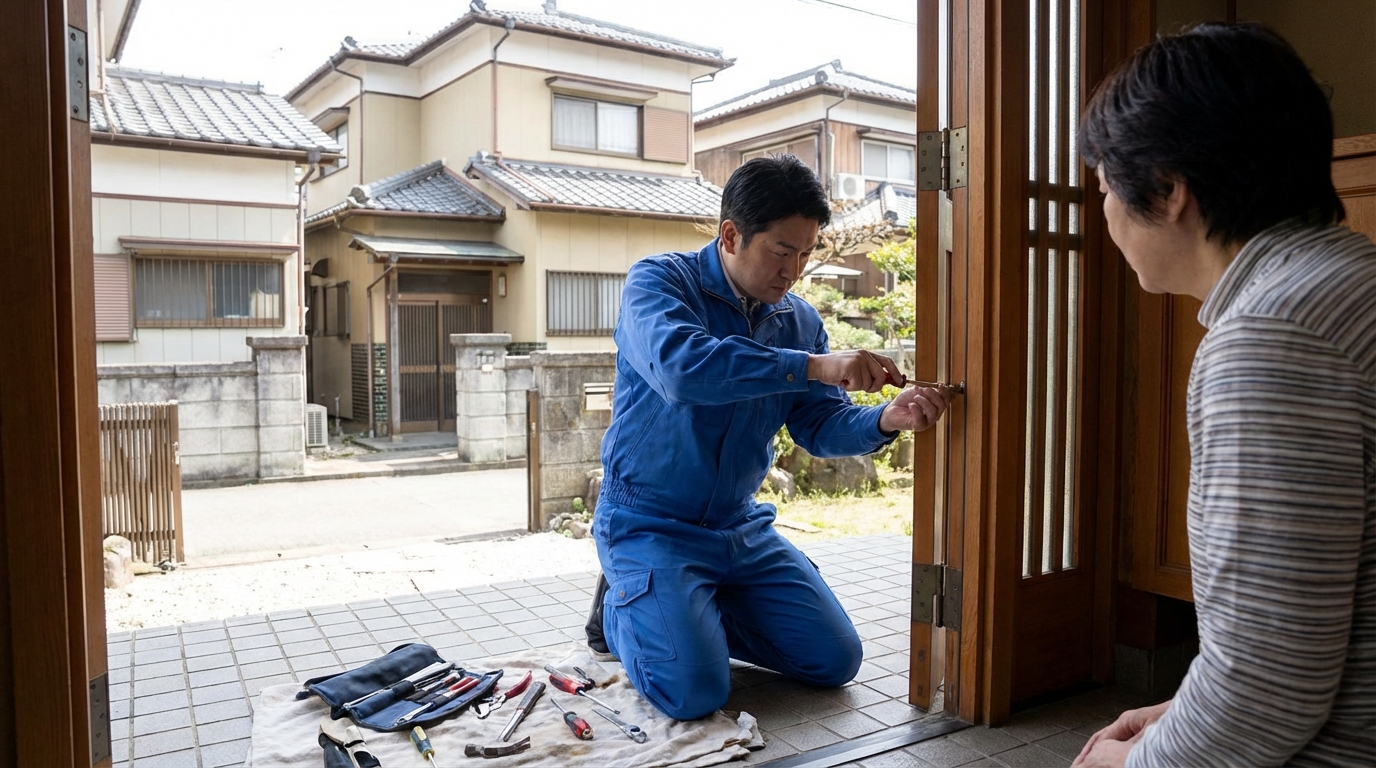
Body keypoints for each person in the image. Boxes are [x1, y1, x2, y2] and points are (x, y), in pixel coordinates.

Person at [1072, 22, 1375, 768]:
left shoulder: (1272, 339)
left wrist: (1130, 765)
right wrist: (1184, 707)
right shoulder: (1351, 281)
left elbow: (1268, 692)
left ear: (1170, 190)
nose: (1104, 212)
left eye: (1105, 185)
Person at [584, 155, 951, 720]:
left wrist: (885, 419)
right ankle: (622, 608)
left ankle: (686, 611)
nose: (795, 270)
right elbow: (682, 371)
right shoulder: (659, 282)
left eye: (806, 253)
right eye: (782, 251)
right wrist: (812, 366)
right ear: (731, 235)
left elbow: (820, 426)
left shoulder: (799, 321)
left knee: (835, 660)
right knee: (693, 694)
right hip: (651, 523)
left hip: (738, 527)